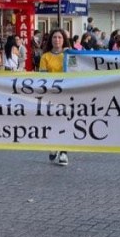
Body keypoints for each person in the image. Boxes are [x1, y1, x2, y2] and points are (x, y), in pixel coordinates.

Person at [40, 28, 72, 167]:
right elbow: (42, 77)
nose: (57, 40)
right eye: (54, 37)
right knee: (53, 121)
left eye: (60, 37)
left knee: (66, 121)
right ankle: (53, 144)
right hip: (51, 94)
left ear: (64, 39)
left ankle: (64, 152)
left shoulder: (69, 55)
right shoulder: (45, 57)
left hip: (67, 93)